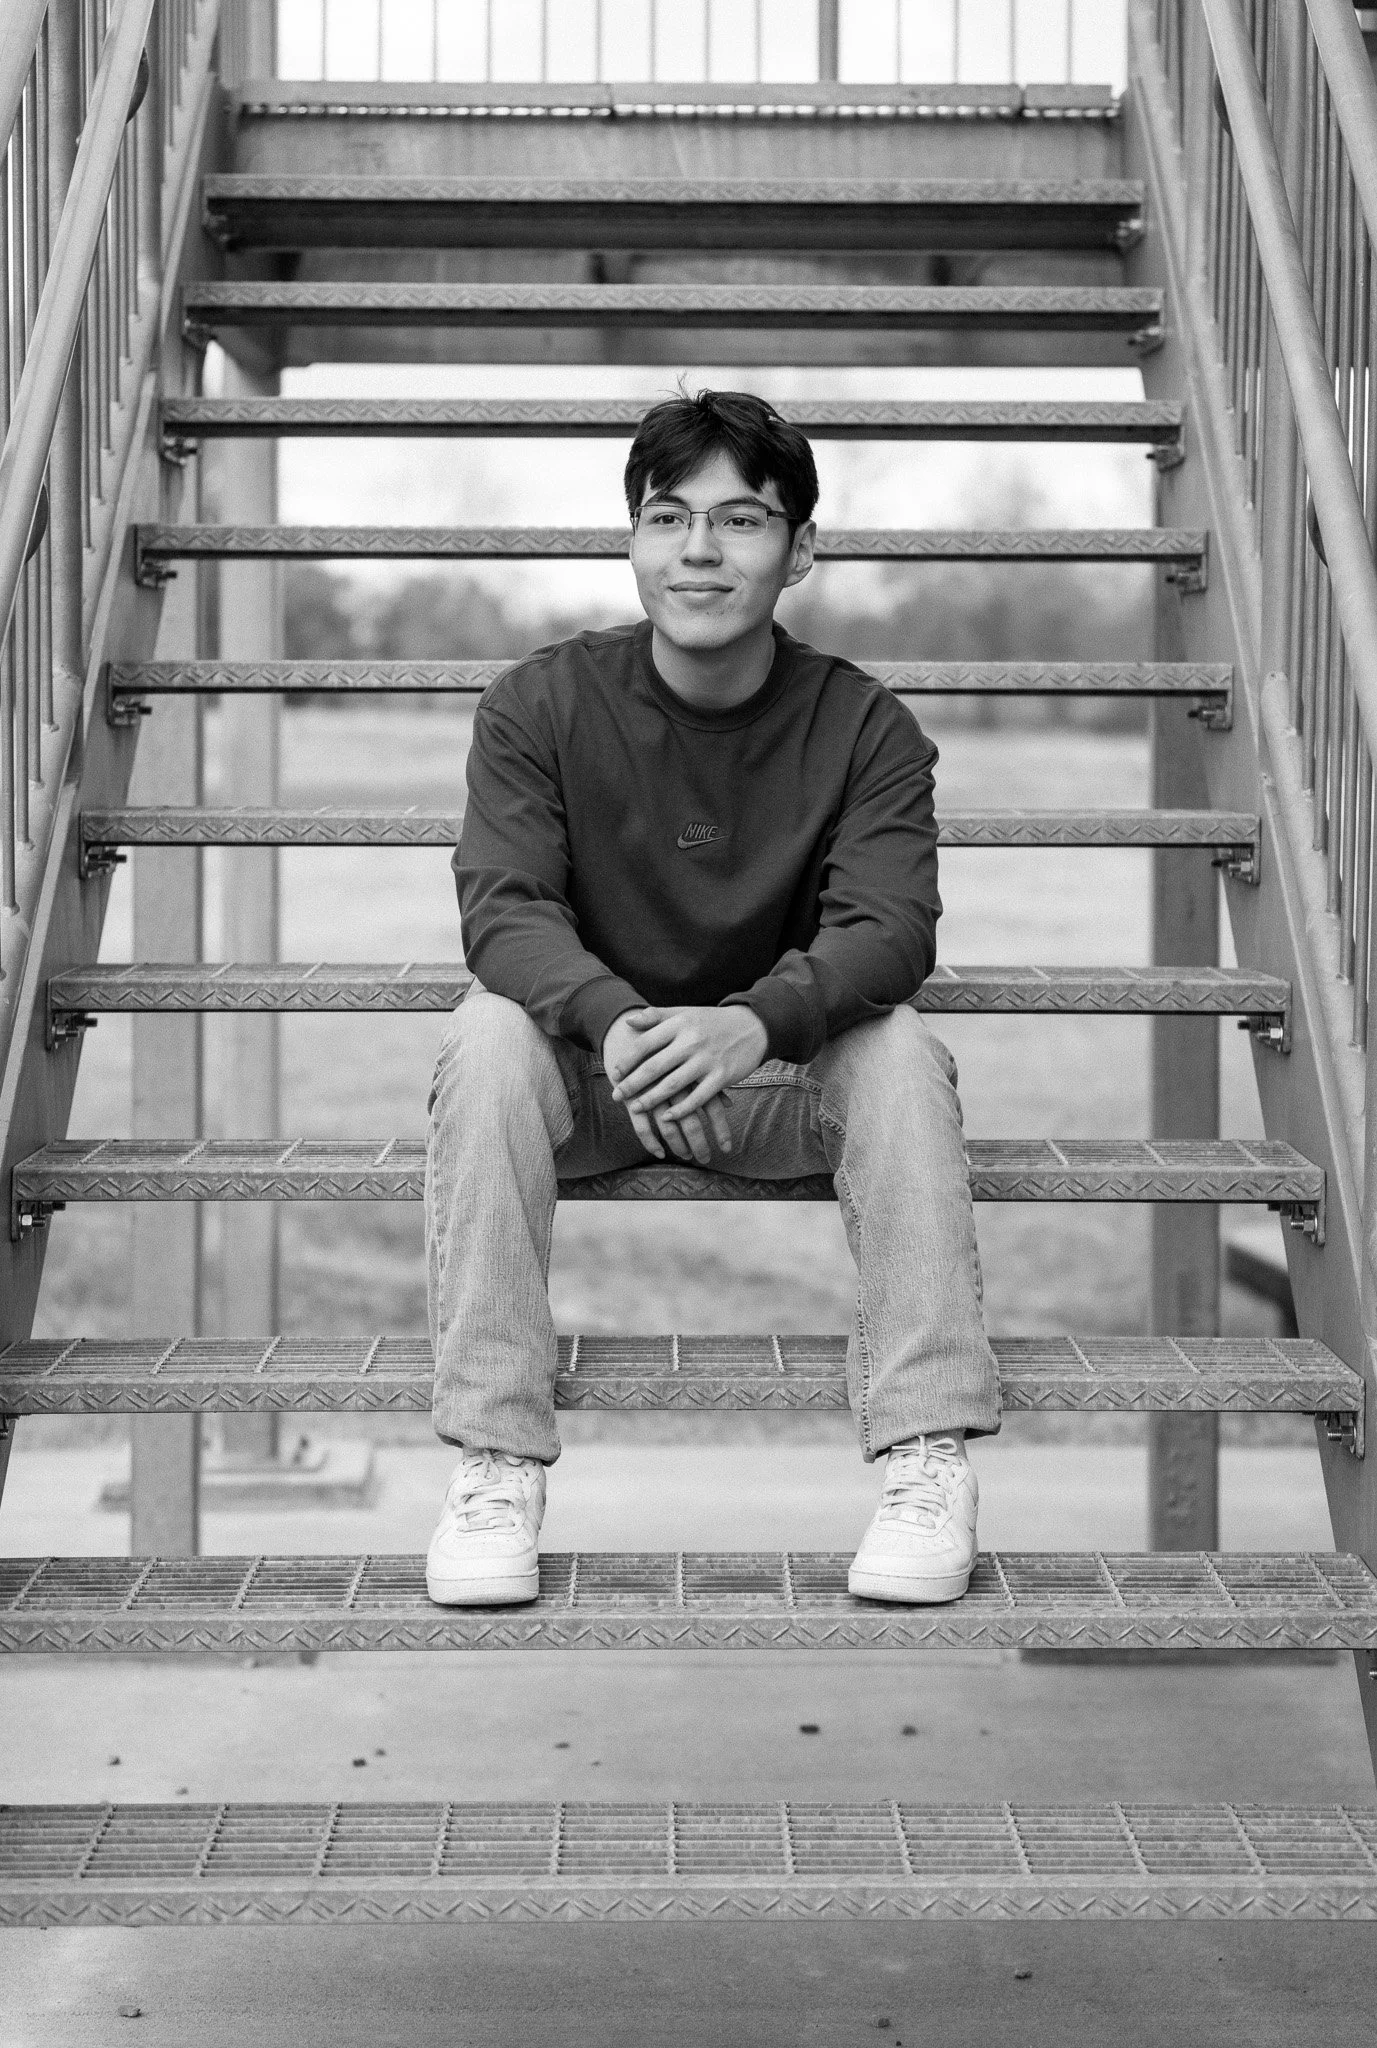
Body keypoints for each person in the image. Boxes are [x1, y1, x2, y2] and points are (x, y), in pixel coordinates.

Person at [424, 387, 1001, 1610]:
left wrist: (750, 1026)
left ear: (801, 548)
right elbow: (504, 909)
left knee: (898, 1049)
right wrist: (620, 1023)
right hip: (596, 1081)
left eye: (741, 519)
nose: (699, 549)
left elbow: (890, 928)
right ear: (633, 540)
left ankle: (924, 1454)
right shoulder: (539, 703)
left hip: (775, 1085)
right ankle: (493, 1459)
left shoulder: (866, 727)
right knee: (485, 1035)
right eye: (668, 516)